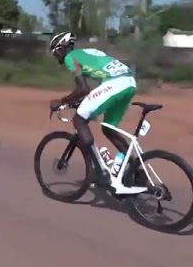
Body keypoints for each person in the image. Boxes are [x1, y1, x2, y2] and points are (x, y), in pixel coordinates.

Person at [48, 31, 137, 186]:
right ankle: (138, 171)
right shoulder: (88, 52)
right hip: (129, 83)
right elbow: (97, 86)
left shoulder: (70, 57)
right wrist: (80, 100)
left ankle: (100, 170)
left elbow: (83, 88)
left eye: (55, 53)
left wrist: (61, 101)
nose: (57, 58)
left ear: (61, 48)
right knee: (108, 129)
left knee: (79, 120)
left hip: (115, 83)